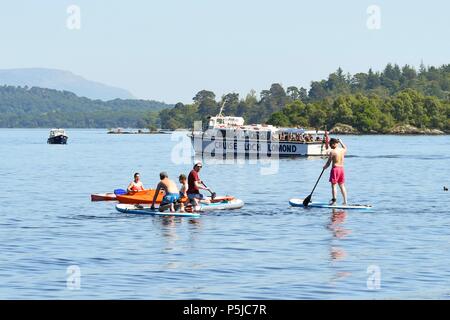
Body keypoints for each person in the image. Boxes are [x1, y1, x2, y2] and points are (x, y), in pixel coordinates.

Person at [323, 138, 347, 205]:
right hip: (341, 169)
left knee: (334, 186)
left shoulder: (332, 152)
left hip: (335, 169)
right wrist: (341, 142)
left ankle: (334, 201)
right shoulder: (342, 150)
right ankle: (345, 201)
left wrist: (324, 167)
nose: (330, 146)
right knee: (342, 185)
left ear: (335, 144)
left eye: (331, 144)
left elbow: (328, 163)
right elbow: (345, 147)